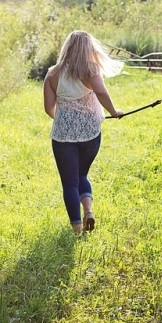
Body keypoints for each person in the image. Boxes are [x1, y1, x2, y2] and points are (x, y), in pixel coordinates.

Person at [43, 30, 124, 235]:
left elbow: (48, 108)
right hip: (91, 133)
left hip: (63, 136)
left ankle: (77, 229)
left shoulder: (53, 74)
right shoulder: (90, 70)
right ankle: (88, 211)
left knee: (69, 183)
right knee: (82, 174)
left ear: (67, 48)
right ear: (88, 49)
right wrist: (114, 112)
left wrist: (65, 121)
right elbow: (101, 92)